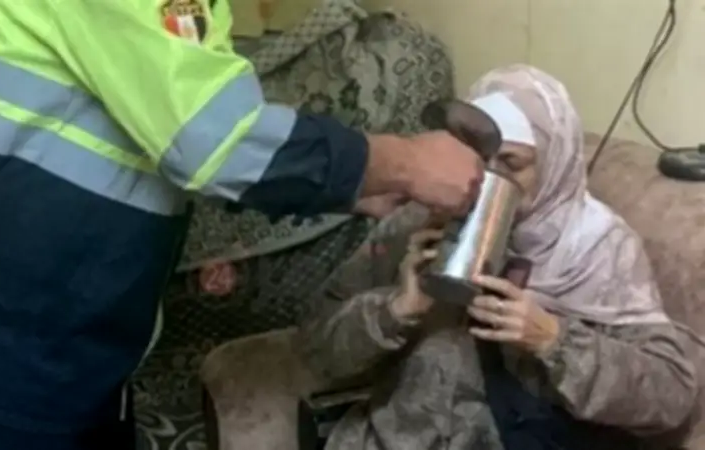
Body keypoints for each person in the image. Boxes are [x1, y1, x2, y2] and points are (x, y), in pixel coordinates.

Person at [0, 1, 485, 449]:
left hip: (75, 342)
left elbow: (164, 133)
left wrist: (357, 187)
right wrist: (408, 162)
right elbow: (215, 141)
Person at [296, 65, 700, 449]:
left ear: (554, 165)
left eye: (510, 163)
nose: (484, 179)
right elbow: (316, 348)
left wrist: (553, 340)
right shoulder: (421, 221)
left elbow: (671, 395)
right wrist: (395, 309)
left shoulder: (595, 248)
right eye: (474, 159)